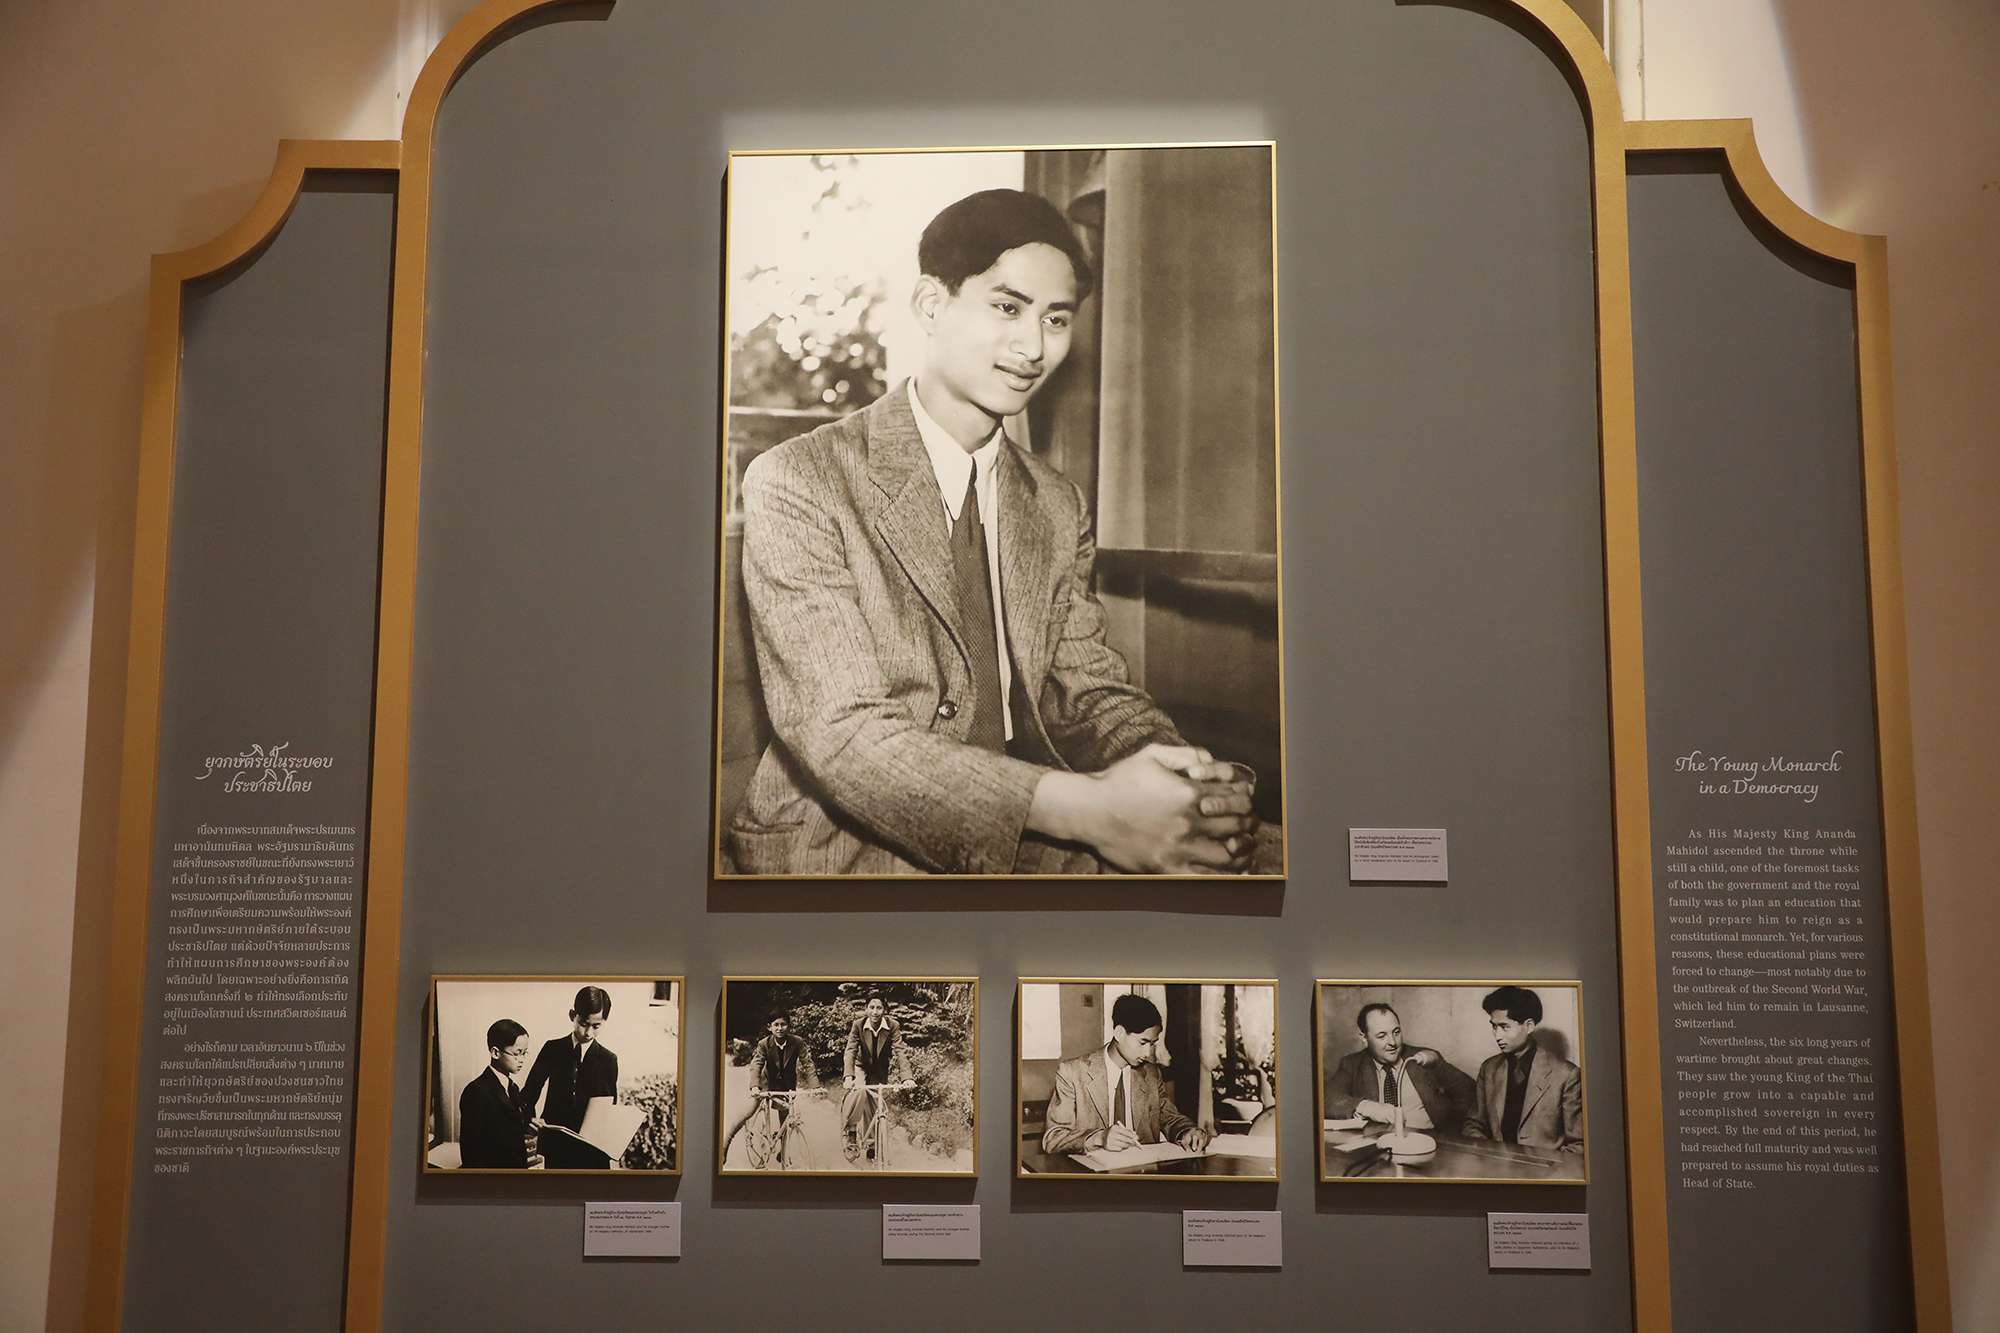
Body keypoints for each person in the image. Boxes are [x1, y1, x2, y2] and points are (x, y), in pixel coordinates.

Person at [729, 187, 1258, 876]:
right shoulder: (799, 478)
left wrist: (1184, 780)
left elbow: (1087, 693)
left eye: (1056, 319)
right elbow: (843, 734)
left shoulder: (1056, 504)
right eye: (1007, 307)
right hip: (846, 850)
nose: (1033, 346)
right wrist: (1093, 811)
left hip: (1031, 831)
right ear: (930, 304)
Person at [1042, 993, 1212, 1156]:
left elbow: (1170, 1118)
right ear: (1119, 1033)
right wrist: (1099, 1137)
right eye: (1143, 1042)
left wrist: (1187, 1131)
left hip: (1142, 1169)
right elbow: (1053, 1138)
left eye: (1152, 1044)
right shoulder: (1072, 1073)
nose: (1147, 1053)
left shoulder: (1151, 1075)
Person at [1322, 1002, 1476, 1136]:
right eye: (1382, 1036)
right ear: (1364, 1038)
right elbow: (1327, 1099)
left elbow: (1470, 1090)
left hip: (1429, 1140)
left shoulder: (1424, 1058)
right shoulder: (1352, 1064)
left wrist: (1452, 1126)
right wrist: (1369, 1107)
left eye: (1396, 1032)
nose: (1392, 1042)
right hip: (1379, 1144)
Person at [1463, 986, 1584, 1154]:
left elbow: (1579, 1145)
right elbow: (1473, 1125)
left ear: (1528, 1026)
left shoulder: (1567, 1075)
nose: (1497, 1036)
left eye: (1504, 1027)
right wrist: (1491, 1156)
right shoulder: (1489, 1069)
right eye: (1494, 1027)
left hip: (1545, 1168)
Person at [519, 986, 620, 1167]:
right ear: (572, 1015)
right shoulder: (552, 1049)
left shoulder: (608, 1059)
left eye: (596, 1026)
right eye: (583, 1024)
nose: (588, 1033)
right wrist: (528, 1118)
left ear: (605, 1021)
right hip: (557, 1147)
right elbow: (529, 1092)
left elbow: (607, 1108)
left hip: (592, 1150)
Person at [722, 1012, 820, 1164]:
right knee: (749, 1111)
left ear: (788, 1026)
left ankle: (783, 1150)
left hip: (786, 1086)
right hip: (765, 1085)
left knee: (785, 1119)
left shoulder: (797, 1042)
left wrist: (815, 1087)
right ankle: (726, 1142)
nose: (780, 1028)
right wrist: (755, 1086)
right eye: (776, 1025)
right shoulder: (764, 1044)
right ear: (770, 1027)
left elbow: (807, 1063)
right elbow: (756, 1064)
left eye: (783, 1024)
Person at [456, 1018, 541, 1169]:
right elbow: (471, 1153)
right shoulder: (476, 1091)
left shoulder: (512, 1088)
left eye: (524, 1053)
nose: (522, 1059)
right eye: (517, 1053)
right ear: (495, 1053)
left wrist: (528, 1125)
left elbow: (508, 1127)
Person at [842, 996, 914, 1161]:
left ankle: (872, 1145)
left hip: (879, 1070)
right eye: (871, 1007)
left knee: (874, 1104)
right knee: (859, 1091)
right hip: (860, 1066)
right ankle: (851, 1132)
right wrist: (849, 1076)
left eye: (879, 1008)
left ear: (884, 1010)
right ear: (866, 1009)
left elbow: (900, 1051)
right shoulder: (858, 1025)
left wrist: (906, 1077)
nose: (875, 1012)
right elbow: (851, 1050)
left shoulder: (893, 1026)